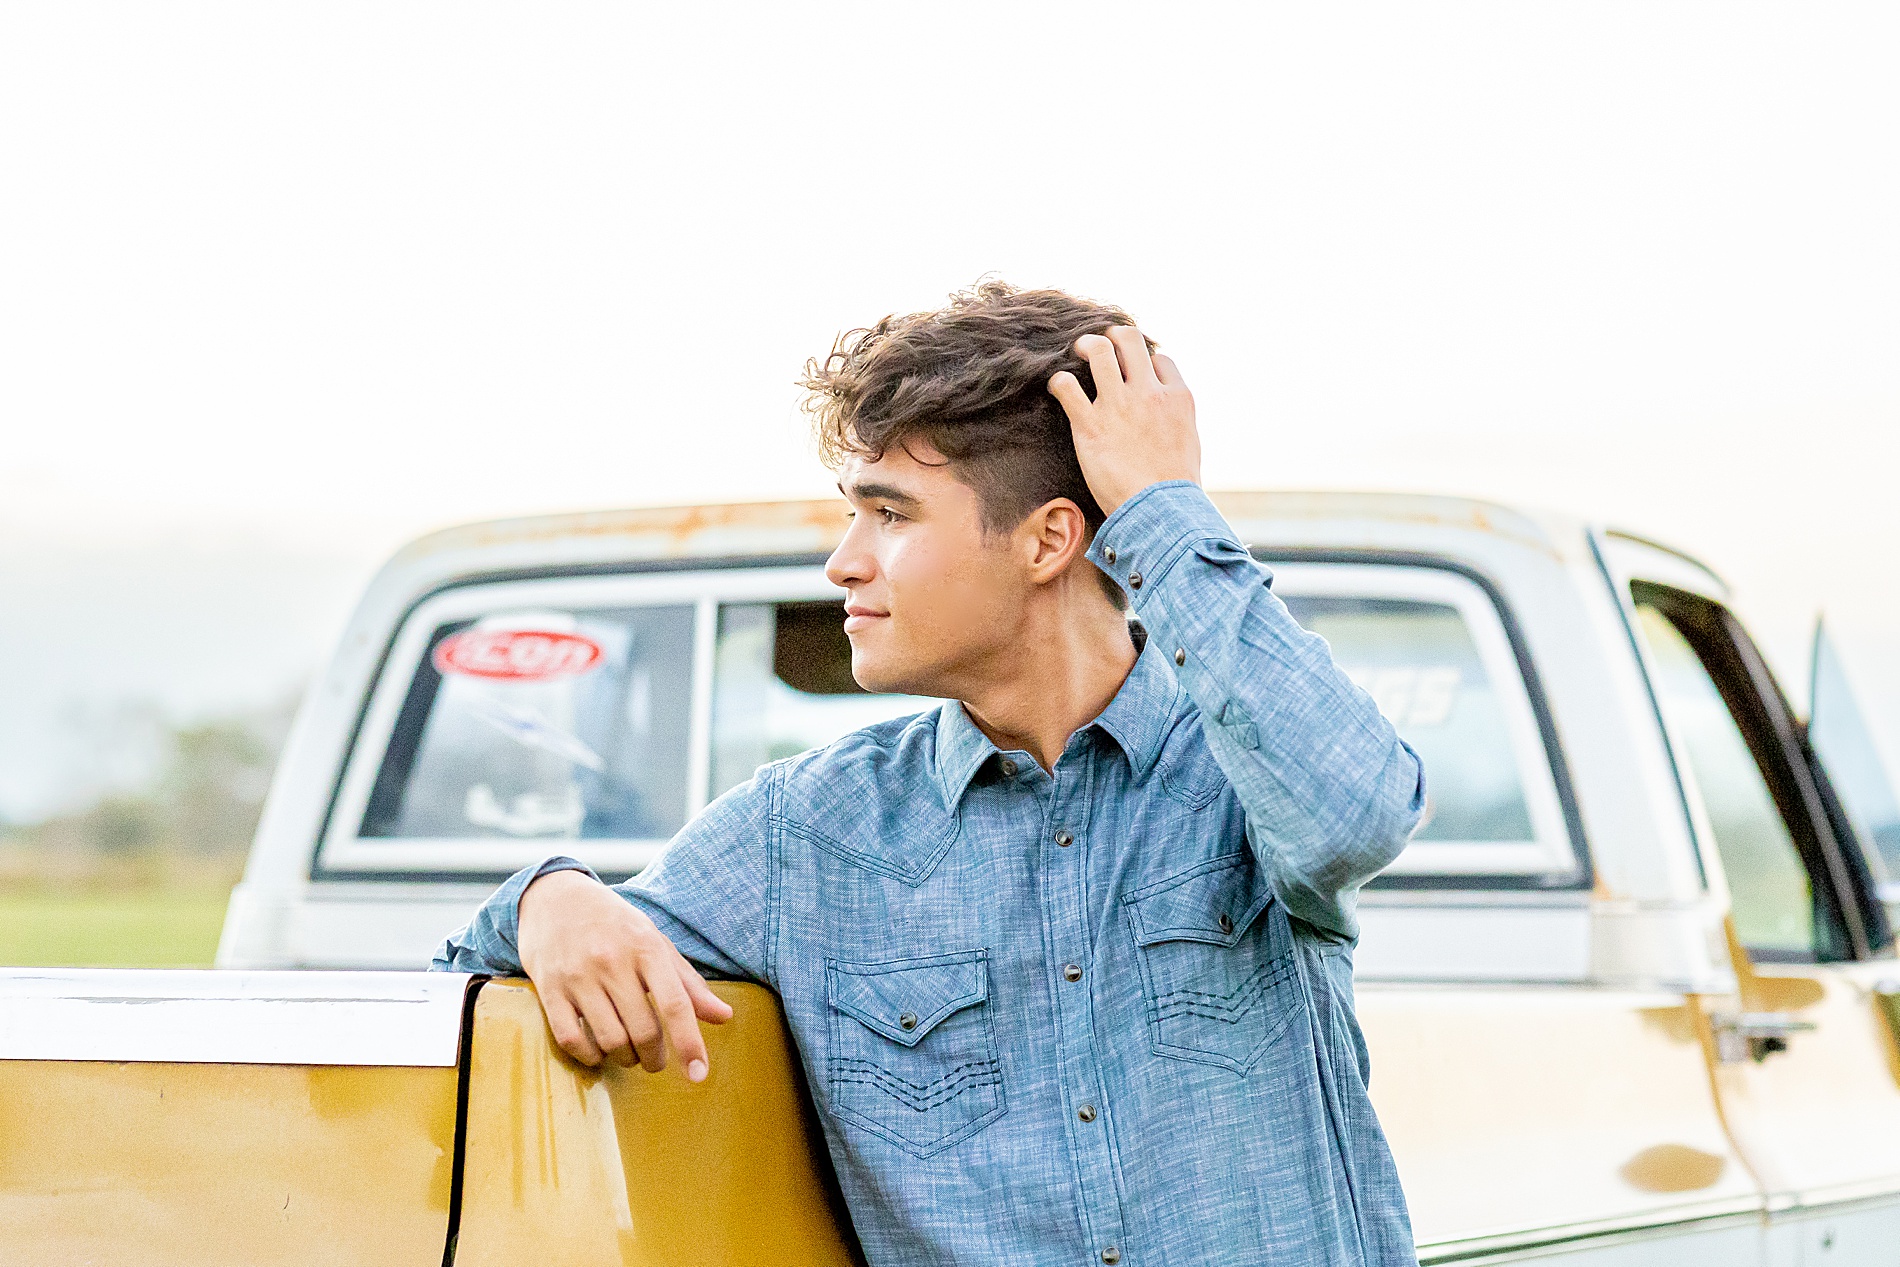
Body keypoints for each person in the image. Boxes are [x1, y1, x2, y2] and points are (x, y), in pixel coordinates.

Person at [434, 281, 1426, 1266]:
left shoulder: (1244, 773)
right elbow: (452, 1004)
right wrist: (550, 899)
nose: (843, 563)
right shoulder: (809, 832)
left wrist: (1164, 511)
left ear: (1048, 540)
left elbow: (1357, 814)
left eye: (890, 515)